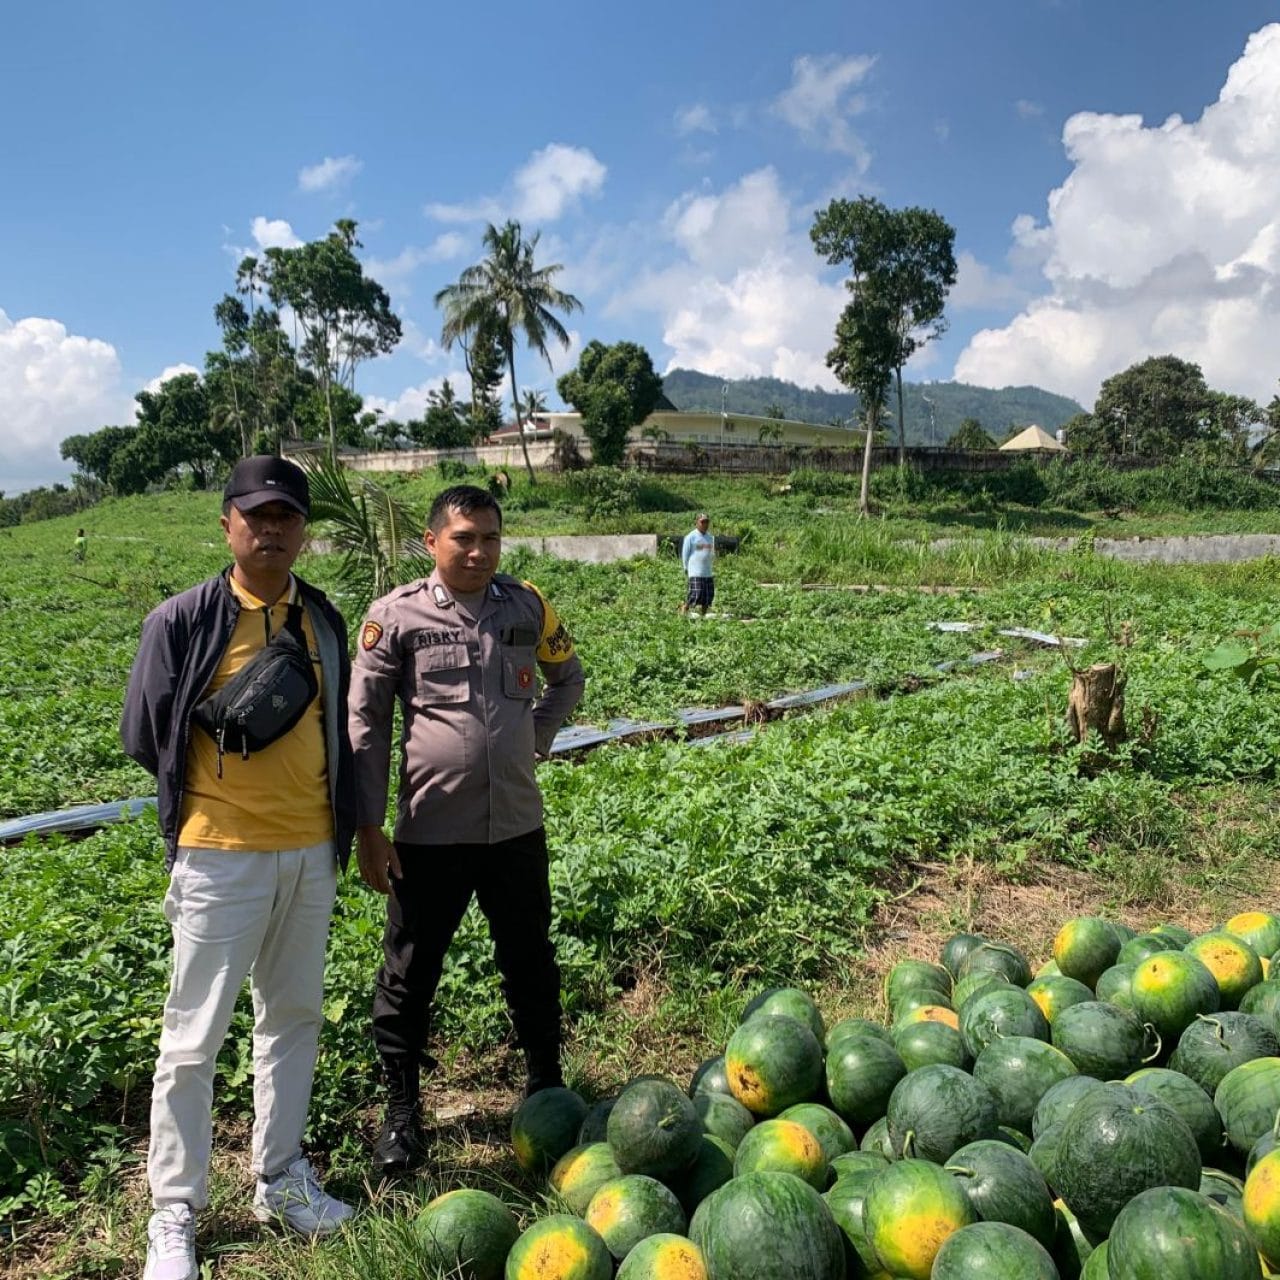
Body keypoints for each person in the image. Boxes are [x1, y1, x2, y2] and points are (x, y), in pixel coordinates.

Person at [121, 456, 356, 1280]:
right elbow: (146, 735)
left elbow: (347, 738)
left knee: (292, 1018)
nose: (272, 529)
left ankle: (280, 1177)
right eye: (255, 515)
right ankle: (175, 1212)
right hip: (220, 856)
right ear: (227, 523)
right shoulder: (182, 621)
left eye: (286, 516)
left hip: (310, 851)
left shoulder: (323, 620)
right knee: (192, 1041)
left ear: (302, 529)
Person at [349, 484, 585, 1177]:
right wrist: (368, 825)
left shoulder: (528, 606)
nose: (479, 551)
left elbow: (566, 679)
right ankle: (402, 1114)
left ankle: (545, 1083)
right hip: (430, 832)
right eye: (464, 538)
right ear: (432, 542)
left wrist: (535, 737)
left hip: (515, 826)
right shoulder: (396, 618)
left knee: (530, 960)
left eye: (490, 537)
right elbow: (366, 726)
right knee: (410, 971)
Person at [680, 512, 716, 616]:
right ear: (697, 522)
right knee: (695, 594)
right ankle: (684, 608)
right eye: (702, 522)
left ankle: (703, 617)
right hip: (695, 571)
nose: (705, 524)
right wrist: (685, 567)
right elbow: (685, 553)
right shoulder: (691, 537)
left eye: (706, 522)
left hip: (707, 571)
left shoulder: (710, 538)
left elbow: (711, 553)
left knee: (708, 596)